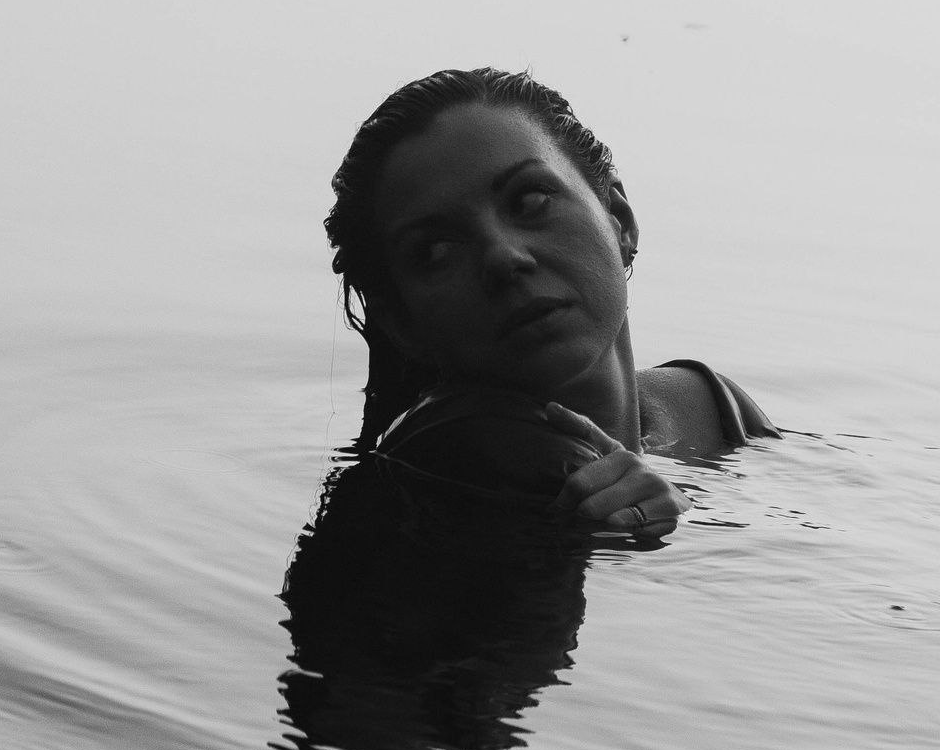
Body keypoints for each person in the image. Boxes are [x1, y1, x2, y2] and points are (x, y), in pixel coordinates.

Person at [322, 66, 777, 543]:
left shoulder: (705, 402)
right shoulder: (460, 458)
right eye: (436, 250)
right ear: (402, 324)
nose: (503, 257)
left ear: (619, 220)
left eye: (530, 200)